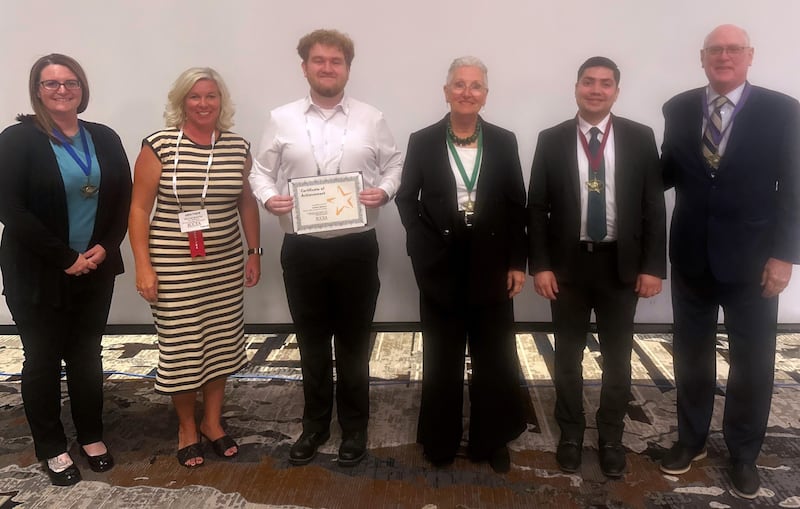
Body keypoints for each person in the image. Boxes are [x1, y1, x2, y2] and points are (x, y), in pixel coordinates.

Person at [249, 29, 402, 468]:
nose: (327, 68)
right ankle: (315, 425)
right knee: (312, 342)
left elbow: (394, 163)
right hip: (302, 248)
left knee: (354, 343)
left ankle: (355, 427)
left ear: (348, 68)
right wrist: (267, 198)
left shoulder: (372, 118)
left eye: (336, 61)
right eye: (319, 60)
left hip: (356, 246)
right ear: (305, 67)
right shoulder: (281, 119)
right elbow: (259, 172)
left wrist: (385, 190)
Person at [659, 24, 800, 499]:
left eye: (733, 49)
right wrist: (610, 161)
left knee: (753, 362)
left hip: (755, 262)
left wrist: (785, 256)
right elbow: (666, 169)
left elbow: (794, 188)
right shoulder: (678, 108)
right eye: (715, 50)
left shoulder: (782, 110)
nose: (724, 56)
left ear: (749, 56)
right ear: (702, 58)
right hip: (692, 256)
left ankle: (743, 453)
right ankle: (691, 440)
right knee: (691, 356)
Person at [528, 56, 666, 478]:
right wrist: (541, 266)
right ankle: (571, 432)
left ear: (616, 92)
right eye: (588, 82)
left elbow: (653, 207)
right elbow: (537, 208)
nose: (596, 89)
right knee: (567, 357)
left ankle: (611, 436)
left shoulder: (640, 137)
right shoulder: (551, 139)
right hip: (567, 268)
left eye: (605, 83)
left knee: (618, 358)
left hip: (620, 267)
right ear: (576, 87)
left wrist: (653, 267)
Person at [0, 53, 131, 486]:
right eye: (52, 83)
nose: (62, 90)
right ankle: (52, 446)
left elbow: (121, 199)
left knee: (86, 356)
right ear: (37, 90)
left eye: (70, 83)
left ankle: (91, 435)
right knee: (41, 359)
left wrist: (103, 248)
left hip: (94, 267)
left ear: (82, 89)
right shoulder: (17, 139)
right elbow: (10, 208)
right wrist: (64, 256)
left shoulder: (105, 137)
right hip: (36, 271)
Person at [396, 56, 527, 473]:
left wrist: (517, 262)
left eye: (475, 86)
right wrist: (420, 244)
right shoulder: (423, 140)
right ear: (446, 91)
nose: (467, 92)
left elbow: (515, 205)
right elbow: (406, 198)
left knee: (494, 358)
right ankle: (440, 439)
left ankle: (492, 438)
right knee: (442, 356)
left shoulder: (504, 141)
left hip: (491, 263)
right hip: (441, 264)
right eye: (459, 85)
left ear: (485, 95)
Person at [128, 67, 261, 468]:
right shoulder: (160, 146)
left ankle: (212, 423)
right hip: (172, 263)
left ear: (222, 102)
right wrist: (143, 267)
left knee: (220, 342)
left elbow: (246, 202)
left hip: (222, 262)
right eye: (195, 96)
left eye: (211, 96)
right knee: (183, 346)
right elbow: (138, 208)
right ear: (181, 101)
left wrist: (254, 251)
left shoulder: (238, 147)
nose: (204, 104)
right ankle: (187, 426)